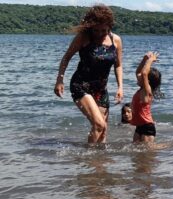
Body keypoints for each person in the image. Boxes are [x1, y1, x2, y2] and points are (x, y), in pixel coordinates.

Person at [54, 4, 123, 144]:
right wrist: (59, 80)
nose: (99, 33)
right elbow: (66, 57)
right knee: (99, 125)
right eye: (96, 30)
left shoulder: (116, 40)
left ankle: (97, 163)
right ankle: (89, 157)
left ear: (110, 26)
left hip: (101, 89)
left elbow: (118, 65)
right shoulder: (83, 37)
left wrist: (120, 86)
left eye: (103, 30)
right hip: (81, 85)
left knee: (103, 131)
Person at [130, 51, 162, 144]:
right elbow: (138, 72)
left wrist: (151, 60)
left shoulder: (147, 91)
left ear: (147, 81)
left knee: (147, 155)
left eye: (142, 76)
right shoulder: (141, 90)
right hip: (139, 126)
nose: (138, 76)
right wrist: (144, 59)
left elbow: (144, 73)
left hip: (148, 127)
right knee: (136, 153)